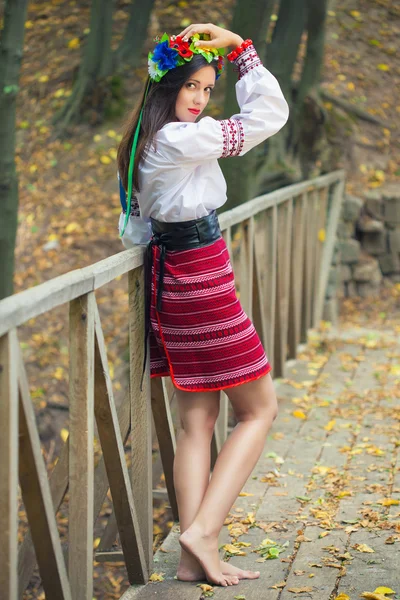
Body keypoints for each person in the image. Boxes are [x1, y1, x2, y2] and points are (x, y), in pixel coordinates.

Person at [117, 23, 289, 588]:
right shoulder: (177, 139)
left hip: (176, 276)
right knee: (259, 408)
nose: (199, 98)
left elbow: (137, 229)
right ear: (165, 89)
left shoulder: (149, 140)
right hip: (198, 276)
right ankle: (205, 531)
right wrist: (241, 49)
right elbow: (269, 116)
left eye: (208, 89)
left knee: (198, 422)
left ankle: (193, 559)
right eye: (190, 86)